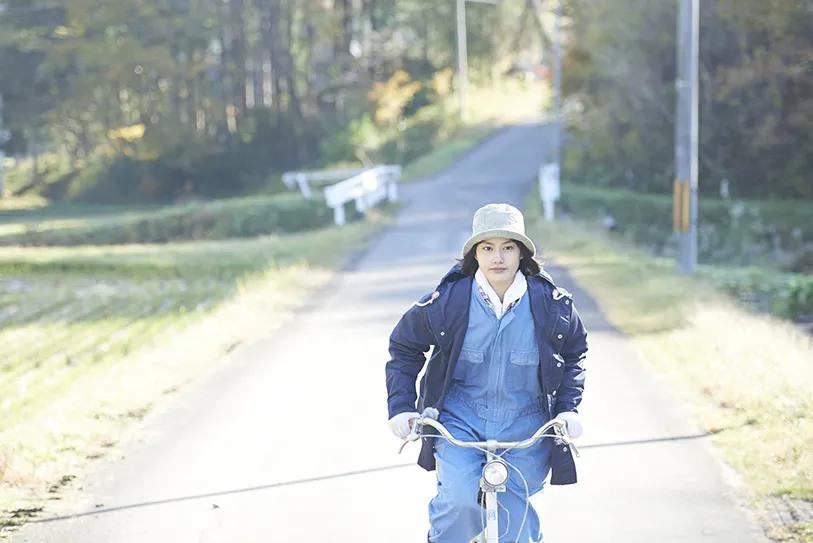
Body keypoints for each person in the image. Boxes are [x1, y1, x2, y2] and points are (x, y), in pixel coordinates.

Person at [384, 203, 588, 542]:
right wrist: (402, 407)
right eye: (488, 248)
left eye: (508, 247)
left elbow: (574, 352)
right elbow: (404, 346)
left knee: (518, 528)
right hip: (459, 420)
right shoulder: (447, 301)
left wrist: (568, 409)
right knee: (459, 502)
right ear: (475, 254)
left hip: (527, 422)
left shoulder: (553, 304)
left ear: (521, 254)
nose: (498, 258)